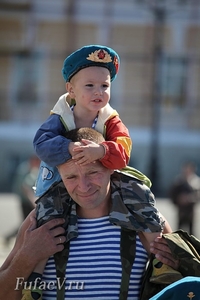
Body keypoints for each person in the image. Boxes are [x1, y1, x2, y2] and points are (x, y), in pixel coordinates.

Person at [23, 128, 184, 300]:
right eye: (71, 177)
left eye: (93, 172)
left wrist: (176, 267)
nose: (84, 186)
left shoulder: (142, 217)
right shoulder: (39, 222)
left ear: (111, 168)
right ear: (60, 177)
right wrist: (24, 260)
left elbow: (180, 285)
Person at [33, 44, 151, 198]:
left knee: (138, 198)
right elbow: (41, 144)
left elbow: (124, 152)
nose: (98, 91)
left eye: (105, 85)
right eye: (89, 85)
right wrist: (68, 147)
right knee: (45, 215)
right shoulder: (60, 117)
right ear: (71, 90)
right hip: (60, 184)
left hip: (97, 187)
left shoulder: (111, 120)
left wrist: (102, 151)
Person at [5, 155, 40, 244]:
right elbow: (25, 187)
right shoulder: (26, 170)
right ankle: (19, 241)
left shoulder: (25, 167)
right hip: (26, 201)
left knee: (26, 222)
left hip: (25, 199)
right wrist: (33, 200)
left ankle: (11, 238)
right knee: (28, 223)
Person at [169, 162, 200, 235]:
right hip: (181, 210)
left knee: (191, 232)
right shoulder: (179, 181)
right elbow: (172, 194)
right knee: (179, 231)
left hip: (190, 211)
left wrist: (189, 199)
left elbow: (198, 196)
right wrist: (179, 199)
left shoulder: (196, 182)